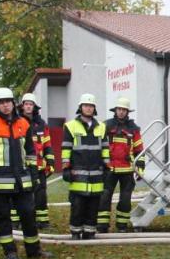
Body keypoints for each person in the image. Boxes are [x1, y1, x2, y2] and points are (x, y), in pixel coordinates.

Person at [0, 88, 53, 259]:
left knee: (28, 213)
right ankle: (9, 251)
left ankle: (34, 250)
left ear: (13, 103)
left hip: (22, 180)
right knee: (3, 218)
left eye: (8, 102)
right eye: (1, 102)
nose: (5, 105)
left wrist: (34, 175)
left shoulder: (24, 124)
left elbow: (31, 152)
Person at [61, 94, 109, 239]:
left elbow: (105, 148)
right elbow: (66, 148)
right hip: (78, 174)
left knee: (93, 206)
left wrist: (107, 166)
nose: (88, 108)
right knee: (77, 206)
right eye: (85, 105)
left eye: (91, 106)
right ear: (80, 108)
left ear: (94, 108)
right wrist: (66, 168)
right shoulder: (70, 126)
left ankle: (89, 231)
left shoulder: (102, 127)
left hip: (96, 175)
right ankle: (75, 231)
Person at [100, 97, 145, 233]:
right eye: (119, 109)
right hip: (109, 168)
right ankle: (102, 225)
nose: (121, 112)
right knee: (104, 197)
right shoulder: (106, 126)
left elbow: (139, 149)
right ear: (115, 110)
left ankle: (122, 225)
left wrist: (141, 167)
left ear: (127, 112)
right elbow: (99, 145)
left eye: (123, 110)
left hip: (127, 169)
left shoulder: (133, 129)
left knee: (125, 199)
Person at [19, 93, 55, 230]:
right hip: (24, 166)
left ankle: (43, 221)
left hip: (40, 166)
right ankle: (22, 221)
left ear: (34, 107)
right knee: (24, 195)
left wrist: (50, 163)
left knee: (41, 194)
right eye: (26, 104)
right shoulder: (18, 122)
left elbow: (47, 144)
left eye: (31, 104)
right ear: (22, 106)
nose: (28, 106)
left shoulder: (41, 124)